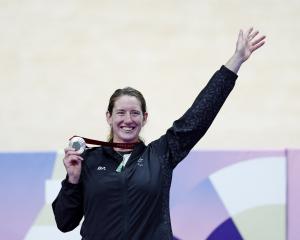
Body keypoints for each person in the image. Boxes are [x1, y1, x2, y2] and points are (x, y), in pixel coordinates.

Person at [52, 28, 266, 240]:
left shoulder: (160, 155)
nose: (128, 120)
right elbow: (64, 223)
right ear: (109, 117)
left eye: (135, 113)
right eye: (121, 113)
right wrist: (72, 180)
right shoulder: (88, 160)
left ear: (145, 118)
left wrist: (236, 61)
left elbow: (199, 115)